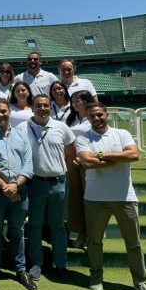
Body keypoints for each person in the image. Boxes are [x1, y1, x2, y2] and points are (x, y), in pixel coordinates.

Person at [76, 103, 146, 290]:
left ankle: (140, 281)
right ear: (88, 118)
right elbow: (88, 162)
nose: (96, 118)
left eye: (99, 115)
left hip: (124, 197)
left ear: (106, 114)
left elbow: (134, 155)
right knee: (94, 241)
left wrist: (102, 155)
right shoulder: (83, 137)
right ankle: (96, 276)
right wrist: (120, 158)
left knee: (133, 243)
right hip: (95, 198)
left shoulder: (122, 134)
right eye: (92, 116)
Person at [0, 99, 36, 290]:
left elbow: (28, 165)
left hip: (19, 190)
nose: (1, 115)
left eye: (3, 111)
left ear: (9, 111)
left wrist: (15, 186)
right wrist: (6, 187)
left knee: (17, 231)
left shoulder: (21, 136)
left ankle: (21, 270)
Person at [20, 95, 76, 283]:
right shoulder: (22, 128)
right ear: (32, 107)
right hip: (34, 183)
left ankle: (61, 263)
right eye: (38, 105)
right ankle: (36, 263)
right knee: (34, 225)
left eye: (45, 105)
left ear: (50, 108)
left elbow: (70, 153)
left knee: (58, 226)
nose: (42, 108)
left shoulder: (61, 127)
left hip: (58, 183)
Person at [65, 90, 95, 249]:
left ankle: (91, 234)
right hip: (71, 163)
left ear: (86, 101)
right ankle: (80, 232)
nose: (75, 104)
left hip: (88, 162)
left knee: (89, 199)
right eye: (73, 101)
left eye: (78, 100)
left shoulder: (93, 117)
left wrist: (84, 156)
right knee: (75, 199)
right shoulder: (71, 119)